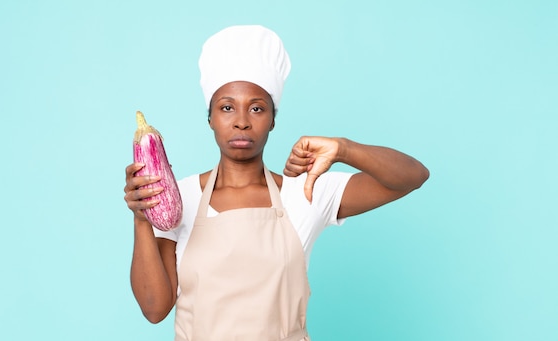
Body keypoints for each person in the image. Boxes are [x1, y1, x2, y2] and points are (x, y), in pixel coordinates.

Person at [123, 25, 429, 340]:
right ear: (210, 118)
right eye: (227, 107)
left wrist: (343, 148)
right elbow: (154, 308)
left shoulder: (305, 193)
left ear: (272, 119)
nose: (241, 121)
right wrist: (141, 220)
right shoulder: (178, 197)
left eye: (256, 108)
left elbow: (411, 176)